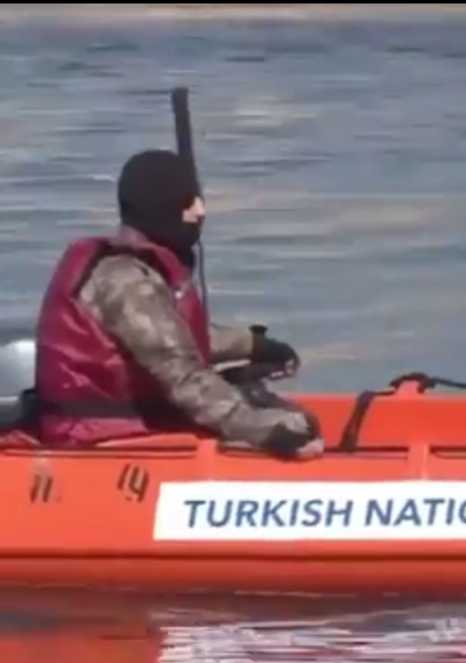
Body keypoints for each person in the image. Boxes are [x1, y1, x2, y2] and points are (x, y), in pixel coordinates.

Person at [34, 149, 323, 458]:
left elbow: (173, 335)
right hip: (101, 433)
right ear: (158, 205)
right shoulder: (124, 280)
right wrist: (260, 428)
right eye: (188, 202)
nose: (200, 211)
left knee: (284, 411)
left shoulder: (137, 272)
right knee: (285, 422)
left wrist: (251, 344)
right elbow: (181, 373)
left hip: (131, 421)